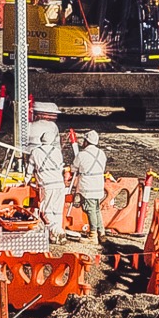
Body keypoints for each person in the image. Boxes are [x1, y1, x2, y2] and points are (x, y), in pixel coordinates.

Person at [27, 103, 68, 245]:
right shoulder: (56, 151)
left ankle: (57, 231)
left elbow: (29, 170)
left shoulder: (35, 151)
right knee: (57, 211)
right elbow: (61, 166)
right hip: (59, 184)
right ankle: (54, 236)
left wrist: (26, 181)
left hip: (47, 185)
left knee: (45, 211)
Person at [73, 129, 109, 244]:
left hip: (87, 187)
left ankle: (92, 236)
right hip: (98, 185)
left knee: (90, 210)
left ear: (86, 142)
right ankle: (101, 232)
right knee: (96, 209)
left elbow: (74, 168)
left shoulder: (82, 155)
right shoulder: (101, 153)